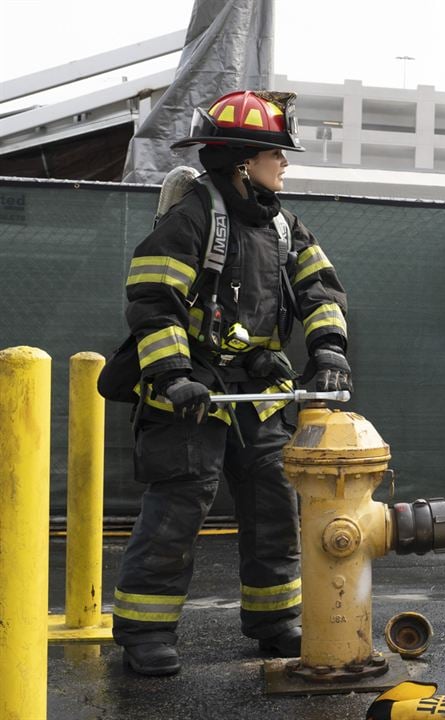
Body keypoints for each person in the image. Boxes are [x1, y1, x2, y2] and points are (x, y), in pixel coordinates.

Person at [111, 90, 351, 676]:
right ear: (245, 161)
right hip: (192, 392)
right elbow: (153, 300)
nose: (286, 166)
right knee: (178, 507)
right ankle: (145, 632)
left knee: (273, 505)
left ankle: (274, 622)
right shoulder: (193, 218)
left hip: (258, 392)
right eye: (278, 155)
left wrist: (329, 354)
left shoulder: (283, 226)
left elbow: (320, 291)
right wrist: (172, 374)